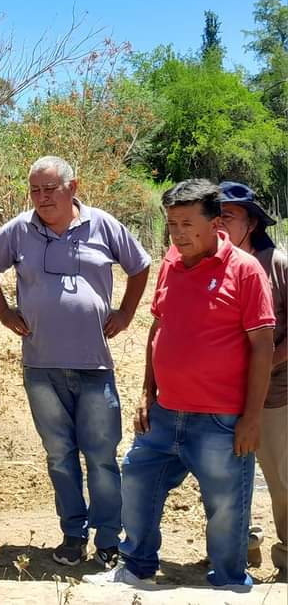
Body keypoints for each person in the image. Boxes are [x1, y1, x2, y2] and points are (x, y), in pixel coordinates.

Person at [88, 179, 275, 590]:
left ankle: (228, 582)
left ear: (215, 223)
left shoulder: (245, 270)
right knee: (136, 482)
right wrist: (145, 392)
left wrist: (251, 418)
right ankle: (136, 567)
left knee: (226, 507)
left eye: (187, 223)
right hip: (165, 412)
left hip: (222, 419)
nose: (178, 233)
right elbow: (159, 328)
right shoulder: (171, 261)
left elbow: (262, 347)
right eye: (172, 224)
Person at [0, 156, 150, 569]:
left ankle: (109, 539)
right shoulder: (19, 230)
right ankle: (73, 535)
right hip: (40, 367)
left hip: (95, 365)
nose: (41, 198)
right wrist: (3, 312)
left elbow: (140, 266)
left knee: (102, 457)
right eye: (34, 190)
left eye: (49, 189)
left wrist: (126, 313)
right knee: (59, 456)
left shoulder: (102, 225)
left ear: (73, 187)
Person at [218, 180, 286, 579]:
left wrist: (269, 363)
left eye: (229, 215)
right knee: (224, 475)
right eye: (217, 215)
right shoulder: (211, 263)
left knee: (281, 477)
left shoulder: (277, 264)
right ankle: (241, 546)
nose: (221, 223)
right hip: (222, 393)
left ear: (252, 223)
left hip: (277, 392)